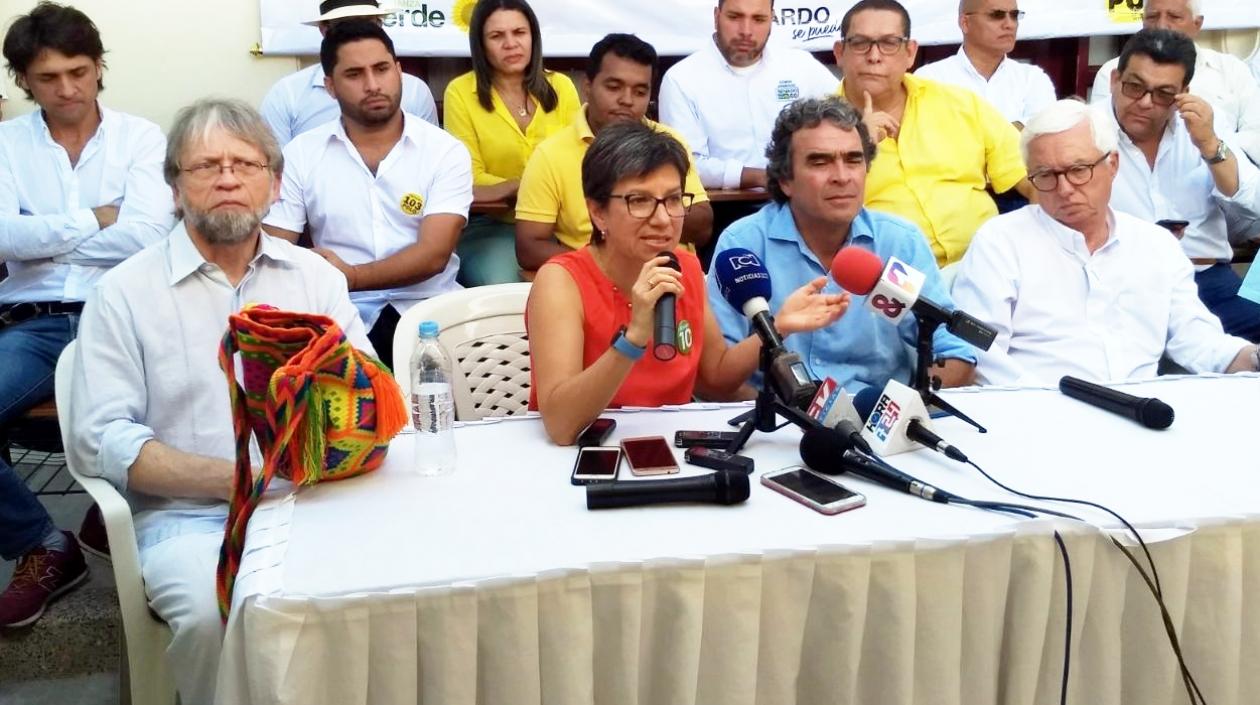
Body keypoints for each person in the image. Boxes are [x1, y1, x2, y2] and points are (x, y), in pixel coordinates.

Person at [68, 98, 372, 705]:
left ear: (275, 183)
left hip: (316, 505)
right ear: (175, 188)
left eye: (245, 164)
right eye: (206, 166)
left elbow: (364, 397)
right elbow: (104, 440)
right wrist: (243, 481)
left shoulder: (315, 279)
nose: (228, 178)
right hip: (186, 520)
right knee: (218, 616)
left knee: (385, 593)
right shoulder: (123, 293)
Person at [0, 2, 173, 628]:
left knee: (190, 394)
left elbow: (149, 236)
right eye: (48, 78)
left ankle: (138, 530)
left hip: (125, 312)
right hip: (35, 321)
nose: (67, 89)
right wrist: (100, 217)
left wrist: (41, 234)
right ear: (24, 80)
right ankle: (46, 547)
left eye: (79, 71)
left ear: (99, 67)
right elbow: (1, 240)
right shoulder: (6, 144)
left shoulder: (142, 138)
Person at [527, 122, 848, 444]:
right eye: (639, 201)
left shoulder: (687, 267)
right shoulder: (561, 281)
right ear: (598, 212)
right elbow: (561, 424)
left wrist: (778, 326)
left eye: (673, 199)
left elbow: (715, 378)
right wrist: (634, 337)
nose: (663, 219)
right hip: (582, 454)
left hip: (668, 449)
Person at [951, 99, 1260, 384]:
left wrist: (1251, 359)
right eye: (1045, 175)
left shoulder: (1155, 245)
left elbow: (1195, 337)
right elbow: (982, 353)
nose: (1065, 189)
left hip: (1142, 411)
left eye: (1078, 170)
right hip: (1037, 413)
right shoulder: (1001, 242)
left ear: (1112, 165)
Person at [707, 96, 977, 395]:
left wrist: (899, 411)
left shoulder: (898, 241)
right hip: (780, 425)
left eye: (853, 160)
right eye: (820, 162)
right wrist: (798, 422)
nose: (842, 177)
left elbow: (954, 352)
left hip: (879, 420)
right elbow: (718, 374)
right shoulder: (743, 245)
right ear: (785, 180)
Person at [263, 21, 472, 369]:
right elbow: (276, 247)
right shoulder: (302, 154)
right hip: (340, 314)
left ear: (399, 71)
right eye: (355, 74)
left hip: (432, 313)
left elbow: (434, 255)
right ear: (330, 86)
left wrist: (352, 276)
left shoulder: (443, 151)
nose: (373, 85)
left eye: (382, 69)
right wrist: (328, 282)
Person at [832, 0, 1033, 266]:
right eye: (860, 43)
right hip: (886, 281)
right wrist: (860, 146)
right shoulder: (816, 126)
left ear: (910, 53)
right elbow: (812, 219)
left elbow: (1034, 179)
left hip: (985, 264)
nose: (874, 55)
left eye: (890, 43)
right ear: (839, 52)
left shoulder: (960, 104)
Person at [1103, 29, 1260, 343]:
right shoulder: (1085, 131)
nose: (1146, 103)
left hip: (1204, 278)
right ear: (1114, 80)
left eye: (1163, 93)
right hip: (1116, 282)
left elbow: (1252, 200)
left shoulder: (1202, 128)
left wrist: (1209, 145)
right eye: (1135, 87)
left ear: (1183, 93)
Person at [515, 33, 713, 272]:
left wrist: (648, 207)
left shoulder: (669, 143)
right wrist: (605, 265)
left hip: (672, 276)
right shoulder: (550, 154)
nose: (627, 100)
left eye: (640, 92)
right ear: (587, 87)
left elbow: (703, 227)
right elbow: (529, 247)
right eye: (614, 87)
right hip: (593, 283)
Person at [443, 0, 580, 286]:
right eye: (497, 36)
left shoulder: (562, 87)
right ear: (480, 44)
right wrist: (537, 187)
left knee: (587, 279)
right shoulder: (460, 93)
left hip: (562, 224)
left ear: (533, 37)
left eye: (519, 32)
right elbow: (469, 177)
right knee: (507, 288)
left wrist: (518, 188)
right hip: (492, 227)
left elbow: (579, 161)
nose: (511, 44)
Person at [658, 0, 838, 190]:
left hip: (801, 201)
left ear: (772, 20)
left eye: (759, 19)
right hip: (724, 206)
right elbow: (685, 164)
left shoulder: (800, 65)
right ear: (716, 17)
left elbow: (843, 115)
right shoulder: (681, 79)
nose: (746, 31)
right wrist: (762, 177)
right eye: (735, 17)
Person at [1091, 0, 1260, 165]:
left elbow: (1256, 136)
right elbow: (1098, 136)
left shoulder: (1232, 70)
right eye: (1152, 16)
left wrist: (1213, 149)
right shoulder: (1113, 72)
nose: (1162, 25)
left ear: (1197, 24)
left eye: (1174, 17)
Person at [258, 0, 438, 146]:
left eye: (367, 24)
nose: (356, 34)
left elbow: (429, 156)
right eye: (344, 25)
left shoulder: (415, 91)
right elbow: (274, 172)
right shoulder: (286, 95)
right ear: (324, 29)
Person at [915, 0, 1056, 129]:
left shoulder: (1032, 78)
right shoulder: (929, 79)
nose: (1009, 24)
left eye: (1014, 15)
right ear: (965, 23)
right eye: (997, 15)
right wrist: (1015, 129)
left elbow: (1043, 131)